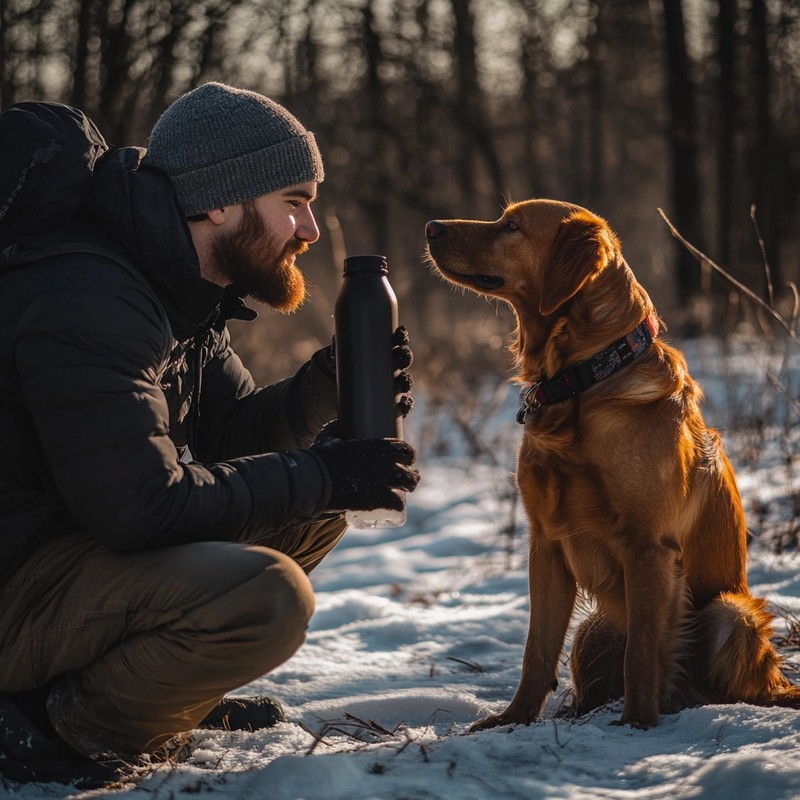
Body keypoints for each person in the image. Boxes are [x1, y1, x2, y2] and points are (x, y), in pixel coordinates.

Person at [0, 82, 419, 787]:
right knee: (267, 595)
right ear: (221, 201)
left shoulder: (177, 283)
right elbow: (141, 508)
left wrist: (323, 390)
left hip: (71, 547)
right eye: (294, 200)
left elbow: (233, 437)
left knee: (313, 506)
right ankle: (58, 725)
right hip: (19, 579)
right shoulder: (91, 294)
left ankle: (153, 693)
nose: (311, 228)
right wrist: (324, 472)